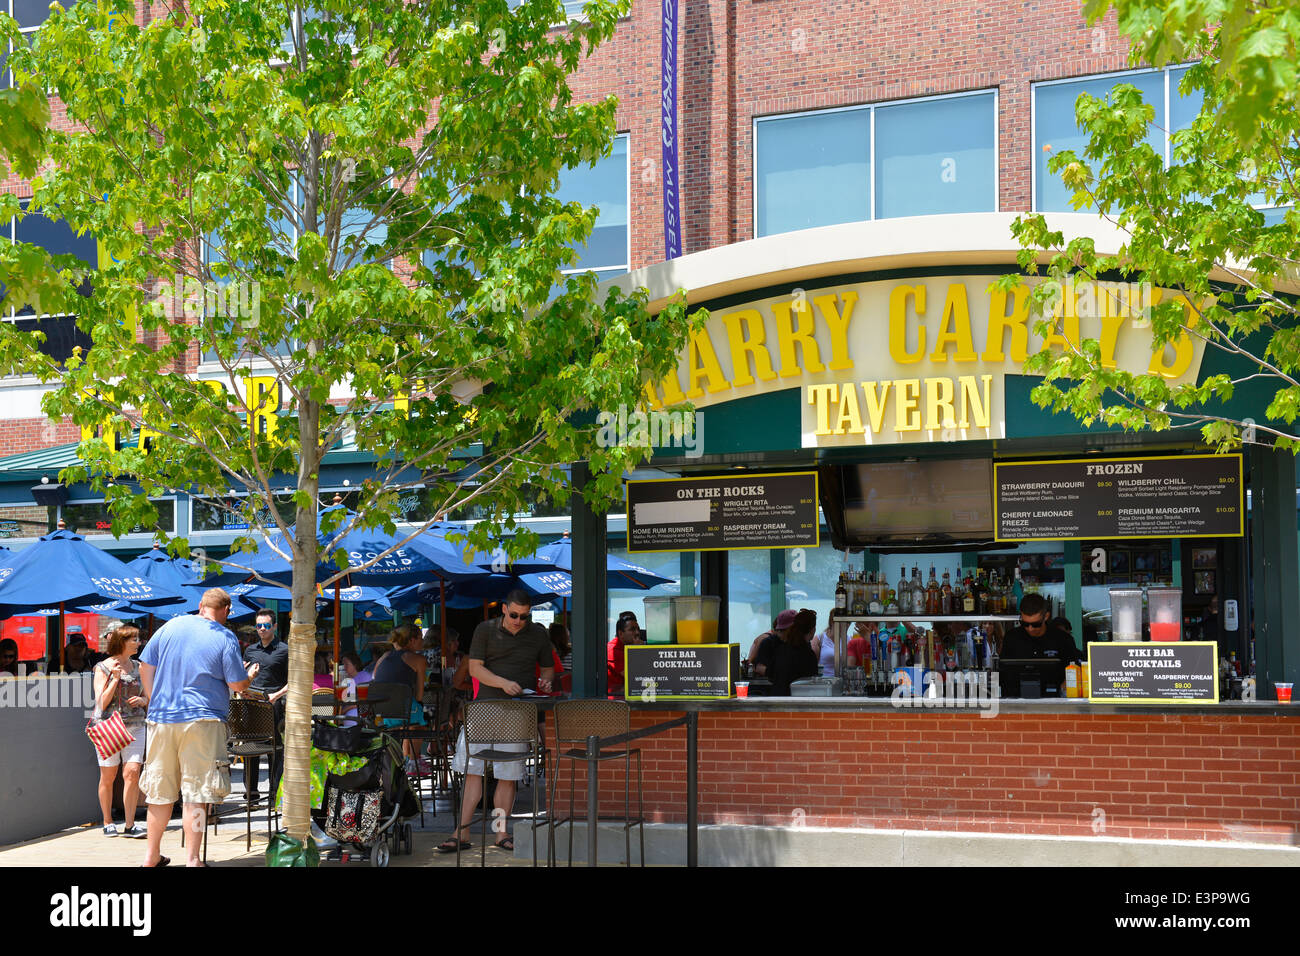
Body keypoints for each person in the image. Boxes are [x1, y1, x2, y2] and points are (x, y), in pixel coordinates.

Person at [139, 588, 254, 867]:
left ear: (200, 605)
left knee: (159, 792)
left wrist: (155, 699)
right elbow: (237, 685)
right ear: (226, 611)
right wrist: (248, 676)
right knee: (198, 794)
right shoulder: (224, 636)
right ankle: (192, 860)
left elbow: (145, 665)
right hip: (203, 720)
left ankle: (150, 856)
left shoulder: (171, 625)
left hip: (161, 719)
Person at [439, 590, 554, 854]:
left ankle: (501, 832)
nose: (518, 620)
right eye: (513, 615)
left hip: (518, 709)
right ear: (504, 609)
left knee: (508, 775)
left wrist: (546, 680)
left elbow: (548, 668)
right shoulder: (485, 629)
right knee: (472, 771)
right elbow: (475, 668)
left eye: (524, 616)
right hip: (484, 707)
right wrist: (504, 683)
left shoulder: (537, 633)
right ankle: (462, 832)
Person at [91, 624, 149, 838]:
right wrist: (114, 679)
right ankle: (107, 821)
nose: (138, 642)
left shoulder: (138, 666)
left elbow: (148, 696)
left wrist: (143, 700)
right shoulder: (103, 667)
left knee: (132, 773)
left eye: (138, 638)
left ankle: (130, 824)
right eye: (134, 639)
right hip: (109, 727)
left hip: (136, 726)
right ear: (122, 642)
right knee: (108, 775)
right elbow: (101, 703)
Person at [241, 608, 289, 805]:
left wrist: (277, 696)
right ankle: (251, 795)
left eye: (266, 625)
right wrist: (243, 687)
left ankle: (273, 795)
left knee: (275, 750)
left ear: (274, 627)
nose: (262, 629)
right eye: (259, 625)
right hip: (251, 702)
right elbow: (242, 676)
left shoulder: (284, 650)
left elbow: (294, 679)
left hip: (274, 704)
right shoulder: (250, 650)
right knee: (250, 749)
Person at [1000, 593, 1082, 673]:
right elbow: (1000, 669)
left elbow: (1076, 669)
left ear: (1046, 616)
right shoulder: (1011, 637)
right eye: (1025, 624)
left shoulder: (1063, 639)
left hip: (1055, 686)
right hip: (1016, 686)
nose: (1030, 628)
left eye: (1036, 624)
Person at [754, 608, 819, 696]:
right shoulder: (808, 654)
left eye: (782, 630)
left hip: (779, 699)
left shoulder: (781, 650)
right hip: (798, 701)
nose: (779, 634)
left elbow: (772, 673)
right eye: (779, 630)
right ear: (812, 630)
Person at [606, 611, 643, 697]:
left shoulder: (627, 647)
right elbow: (635, 678)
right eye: (632, 629)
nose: (637, 633)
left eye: (638, 629)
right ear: (620, 634)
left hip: (627, 696)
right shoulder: (613, 649)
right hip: (614, 701)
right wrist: (637, 651)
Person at [811, 608, 841, 677]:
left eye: (848, 622)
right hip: (824, 682)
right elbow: (812, 665)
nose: (846, 625)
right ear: (832, 622)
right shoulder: (819, 639)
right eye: (840, 622)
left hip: (842, 682)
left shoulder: (849, 639)